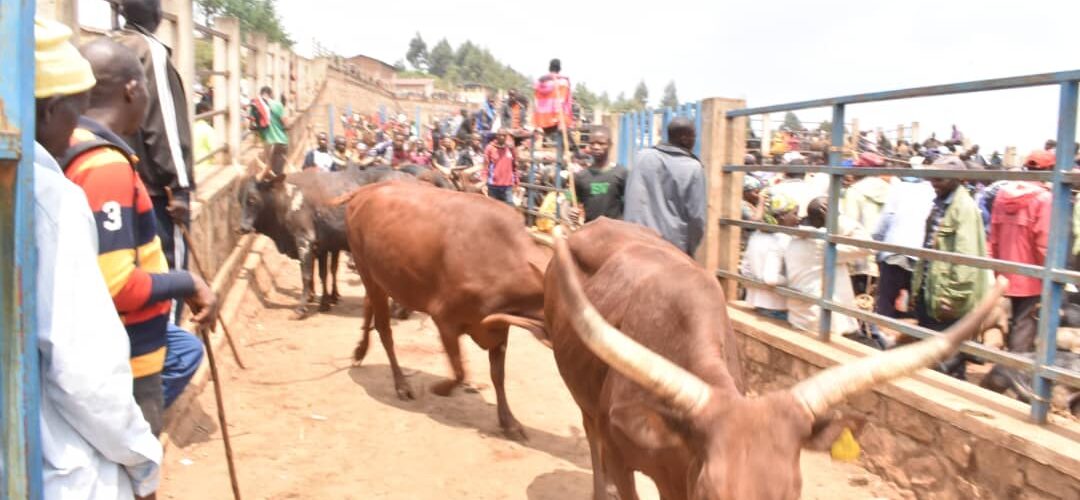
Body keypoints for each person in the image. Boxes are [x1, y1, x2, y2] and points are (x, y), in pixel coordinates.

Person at [33, 18, 161, 499]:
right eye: (74, 108)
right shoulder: (53, 196)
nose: (78, 124)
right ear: (50, 109)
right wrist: (143, 463)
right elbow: (85, 373)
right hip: (64, 463)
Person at [68, 38, 216, 432]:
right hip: (127, 351)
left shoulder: (72, 145)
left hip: (110, 337)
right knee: (136, 457)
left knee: (185, 348)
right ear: (132, 90)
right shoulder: (105, 167)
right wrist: (187, 282)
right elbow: (116, 284)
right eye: (147, 88)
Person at [113, 0, 195, 316]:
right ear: (158, 15)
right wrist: (180, 186)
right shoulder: (151, 53)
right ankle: (168, 339)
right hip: (158, 194)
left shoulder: (107, 48)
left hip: (114, 184)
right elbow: (166, 127)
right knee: (168, 278)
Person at [911, 159, 989, 379]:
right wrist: (917, 286)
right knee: (930, 352)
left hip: (946, 296)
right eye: (932, 177)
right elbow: (928, 248)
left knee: (946, 359)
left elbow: (966, 256)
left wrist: (953, 296)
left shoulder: (963, 208)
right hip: (932, 289)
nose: (934, 182)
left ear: (957, 179)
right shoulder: (941, 204)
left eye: (940, 178)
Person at [987, 150, 1053, 353]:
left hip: (1005, 270)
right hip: (1031, 275)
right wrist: (1048, 272)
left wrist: (996, 267)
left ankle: (1003, 363)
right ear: (1050, 170)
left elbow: (993, 234)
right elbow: (1043, 242)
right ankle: (1015, 367)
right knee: (1024, 323)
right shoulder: (1044, 198)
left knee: (1006, 319)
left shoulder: (1002, 194)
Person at [785, 197, 873, 339]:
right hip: (821, 322)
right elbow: (869, 246)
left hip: (802, 316)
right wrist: (839, 219)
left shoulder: (794, 240)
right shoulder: (819, 246)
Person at [624, 117, 706, 255]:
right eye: (694, 136)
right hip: (671, 250)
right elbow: (697, 219)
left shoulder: (642, 157)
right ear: (685, 139)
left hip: (635, 244)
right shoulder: (693, 168)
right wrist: (689, 251)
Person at [872, 168, 935, 322]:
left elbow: (884, 221)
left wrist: (876, 245)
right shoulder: (932, 191)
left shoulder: (898, 189)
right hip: (919, 253)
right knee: (914, 302)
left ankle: (881, 331)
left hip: (894, 250)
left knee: (885, 302)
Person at [740, 194, 799, 320]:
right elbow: (770, 279)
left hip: (757, 302)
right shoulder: (783, 240)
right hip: (777, 306)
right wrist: (793, 281)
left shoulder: (756, 235)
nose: (797, 218)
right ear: (782, 216)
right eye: (794, 213)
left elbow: (745, 269)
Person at [572, 126, 627, 222]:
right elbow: (569, 201)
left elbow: (631, 203)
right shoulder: (581, 176)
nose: (596, 147)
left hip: (615, 229)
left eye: (601, 143)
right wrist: (571, 211)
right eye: (592, 143)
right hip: (591, 229)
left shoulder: (622, 173)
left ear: (610, 145)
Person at [534, 58, 573, 167]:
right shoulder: (563, 82)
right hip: (557, 118)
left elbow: (537, 99)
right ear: (559, 68)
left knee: (545, 141)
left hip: (542, 119)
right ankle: (567, 156)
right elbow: (565, 101)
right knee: (564, 137)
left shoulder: (540, 81)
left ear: (549, 67)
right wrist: (559, 118)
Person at [250, 85, 289, 175]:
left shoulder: (255, 106)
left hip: (267, 143)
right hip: (280, 142)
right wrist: (286, 127)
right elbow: (285, 122)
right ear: (270, 94)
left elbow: (252, 126)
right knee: (278, 174)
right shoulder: (277, 105)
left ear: (261, 94)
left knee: (269, 171)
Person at [483, 128, 518, 204]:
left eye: (504, 135)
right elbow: (486, 166)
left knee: (509, 207)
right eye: (500, 135)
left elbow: (514, 166)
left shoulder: (510, 149)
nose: (502, 137)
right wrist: (484, 182)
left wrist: (516, 181)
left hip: (507, 186)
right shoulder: (490, 148)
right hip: (493, 186)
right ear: (496, 136)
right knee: (493, 207)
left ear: (506, 136)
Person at [192, 99, 216, 169]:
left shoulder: (190, 126)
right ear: (204, 112)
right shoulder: (207, 129)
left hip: (193, 167)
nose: (212, 115)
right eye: (210, 111)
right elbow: (216, 152)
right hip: (206, 167)